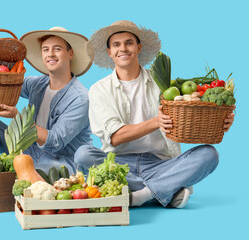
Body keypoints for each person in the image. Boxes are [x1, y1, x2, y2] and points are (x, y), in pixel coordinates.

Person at [74, 20, 235, 208]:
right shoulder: (99, 90)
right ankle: (163, 190)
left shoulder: (163, 84)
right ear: (109, 52)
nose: (123, 48)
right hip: (117, 164)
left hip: (160, 164)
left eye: (129, 42)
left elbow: (189, 114)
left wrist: (219, 119)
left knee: (209, 154)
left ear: (139, 47)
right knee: (83, 154)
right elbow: (116, 137)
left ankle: (141, 193)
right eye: (116, 44)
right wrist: (156, 122)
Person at [0, 26, 93, 174]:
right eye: (45, 49)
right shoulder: (38, 84)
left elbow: (54, 141)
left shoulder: (80, 98)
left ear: (70, 53)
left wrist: (17, 117)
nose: (50, 54)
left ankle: (3, 179)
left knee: (41, 172)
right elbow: (8, 81)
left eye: (57, 49)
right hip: (30, 150)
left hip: (59, 161)